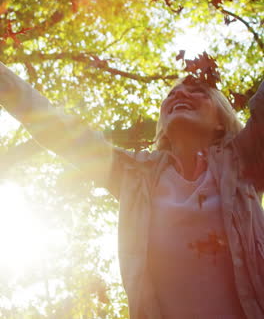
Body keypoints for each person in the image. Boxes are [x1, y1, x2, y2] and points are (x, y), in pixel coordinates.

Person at [0, 60, 263, 319]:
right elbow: (55, 127)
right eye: (172, 94)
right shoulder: (133, 175)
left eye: (198, 92)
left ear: (220, 120)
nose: (181, 93)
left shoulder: (244, 159)